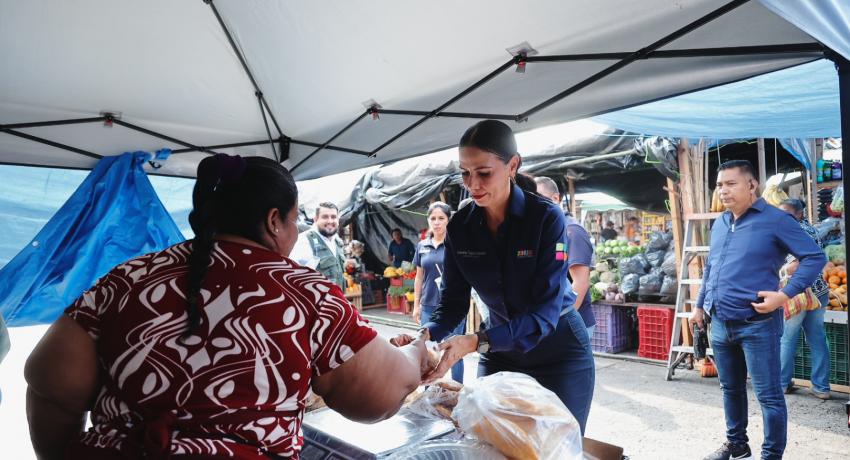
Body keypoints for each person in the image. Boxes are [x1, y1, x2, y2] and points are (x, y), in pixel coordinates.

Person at [24, 155, 430, 459]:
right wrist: (415, 354)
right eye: (293, 220)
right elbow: (377, 397)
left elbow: (50, 384)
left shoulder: (125, 278)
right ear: (274, 221)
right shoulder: (304, 291)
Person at [392, 120, 595, 433]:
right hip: (499, 352)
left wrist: (475, 341)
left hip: (560, 354)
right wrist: (425, 337)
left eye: (484, 172)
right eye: (465, 172)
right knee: (486, 441)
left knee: (557, 447)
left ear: (512, 165)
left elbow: (544, 313)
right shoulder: (460, 228)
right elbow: (452, 303)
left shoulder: (544, 218)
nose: (472, 184)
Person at [690, 160, 826, 460]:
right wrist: (700, 305)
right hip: (720, 322)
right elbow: (712, 267)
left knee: (769, 396)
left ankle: (771, 455)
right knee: (730, 389)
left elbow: (815, 257)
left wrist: (785, 295)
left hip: (758, 324)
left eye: (730, 184)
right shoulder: (722, 222)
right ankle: (737, 444)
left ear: (752, 185)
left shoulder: (776, 220)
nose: (722, 190)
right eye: (719, 185)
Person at [777, 199, 831, 400]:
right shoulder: (813, 229)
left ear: (798, 214)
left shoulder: (791, 232)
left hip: (798, 293)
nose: (781, 217)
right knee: (817, 338)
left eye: (786, 214)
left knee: (787, 339)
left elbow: (795, 266)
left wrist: (781, 270)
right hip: (819, 292)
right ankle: (821, 387)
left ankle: (782, 384)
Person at [535, 176, 596, 339]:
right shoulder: (548, 230)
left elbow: (580, 283)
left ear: (556, 198)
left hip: (572, 324)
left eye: (539, 199)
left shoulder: (571, 231)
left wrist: (561, 322)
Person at [412, 202, 465, 383]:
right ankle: (428, 394)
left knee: (455, 351)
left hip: (453, 307)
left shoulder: (456, 245)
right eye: (433, 218)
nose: (437, 222)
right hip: (428, 306)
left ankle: (457, 391)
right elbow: (419, 277)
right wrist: (416, 305)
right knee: (428, 350)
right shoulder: (422, 246)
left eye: (441, 218)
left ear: (448, 221)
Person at [290, 202, 346, 288]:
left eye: (333, 217)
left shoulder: (337, 241)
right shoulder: (305, 241)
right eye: (325, 217)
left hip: (337, 299)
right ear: (315, 219)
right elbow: (296, 279)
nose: (330, 221)